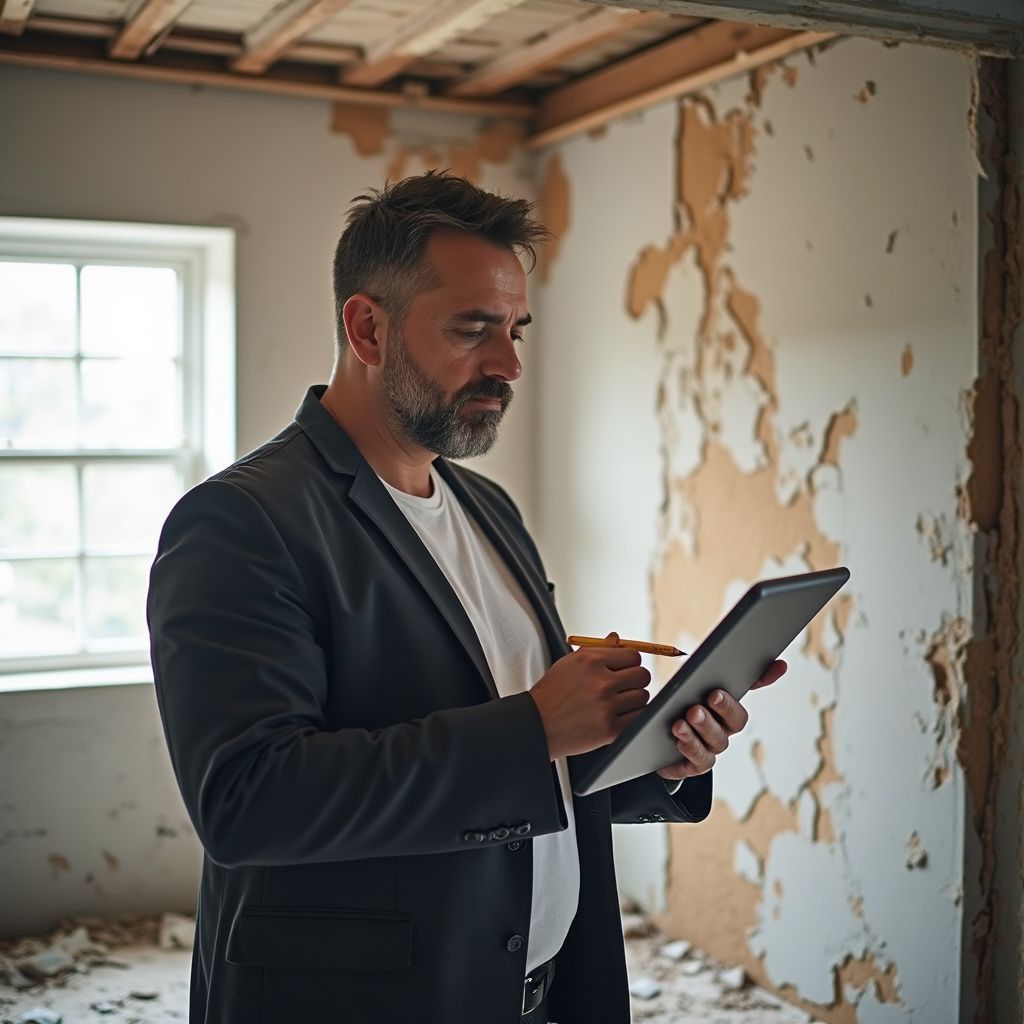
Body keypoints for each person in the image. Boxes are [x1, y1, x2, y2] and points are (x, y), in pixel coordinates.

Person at [147, 171, 786, 1024]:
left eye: (515, 331)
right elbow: (248, 803)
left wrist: (655, 757)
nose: (509, 365)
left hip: (544, 995)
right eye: (473, 329)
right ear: (367, 328)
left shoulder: (489, 508)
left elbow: (533, 759)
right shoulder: (242, 520)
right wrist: (535, 728)